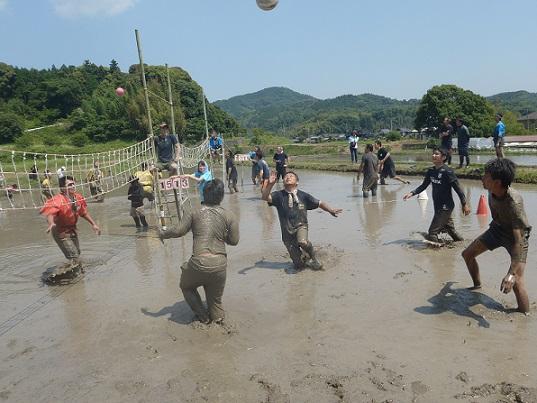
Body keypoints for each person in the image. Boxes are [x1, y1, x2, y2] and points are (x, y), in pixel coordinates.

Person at [160, 179, 239, 324]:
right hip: (220, 264)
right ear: (221, 197)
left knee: (186, 286)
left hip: (199, 262)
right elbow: (234, 241)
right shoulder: (230, 215)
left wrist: (163, 234)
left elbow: (178, 231)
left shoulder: (193, 211)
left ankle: (202, 317)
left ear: (203, 194)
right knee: (215, 302)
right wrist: (222, 235)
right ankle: (219, 323)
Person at [462, 159, 531, 313]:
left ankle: (524, 315)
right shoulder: (491, 189)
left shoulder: (514, 203)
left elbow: (519, 241)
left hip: (516, 237)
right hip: (497, 229)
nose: (482, 179)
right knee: (467, 254)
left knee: (516, 281)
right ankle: (477, 286)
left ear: (497, 182)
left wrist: (511, 274)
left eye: (486, 176)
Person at [262, 170, 342, 270]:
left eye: (291, 176)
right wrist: (270, 184)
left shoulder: (304, 196)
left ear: (297, 182)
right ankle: (304, 258)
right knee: (299, 266)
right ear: (283, 182)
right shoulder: (278, 196)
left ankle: (314, 257)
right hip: (287, 232)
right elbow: (265, 197)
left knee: (303, 241)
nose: (288, 177)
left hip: (301, 226)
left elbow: (320, 203)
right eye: (286, 176)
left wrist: (331, 210)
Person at [403, 147, 470, 244]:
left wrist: (464, 204)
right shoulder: (431, 171)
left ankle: (439, 252)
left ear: (443, 157)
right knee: (450, 230)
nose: (433, 155)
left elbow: (458, 189)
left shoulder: (448, 171)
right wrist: (412, 193)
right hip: (437, 205)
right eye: (433, 154)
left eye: (437, 154)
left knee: (432, 233)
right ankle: (462, 244)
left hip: (446, 206)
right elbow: (423, 186)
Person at [40, 176, 101, 267]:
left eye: (73, 184)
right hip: (60, 231)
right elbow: (50, 213)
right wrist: (51, 223)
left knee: (77, 253)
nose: (73, 186)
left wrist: (94, 224)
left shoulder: (78, 197)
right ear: (63, 188)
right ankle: (75, 277)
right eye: (69, 185)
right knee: (74, 256)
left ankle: (71, 270)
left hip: (72, 230)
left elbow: (83, 213)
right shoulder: (57, 200)